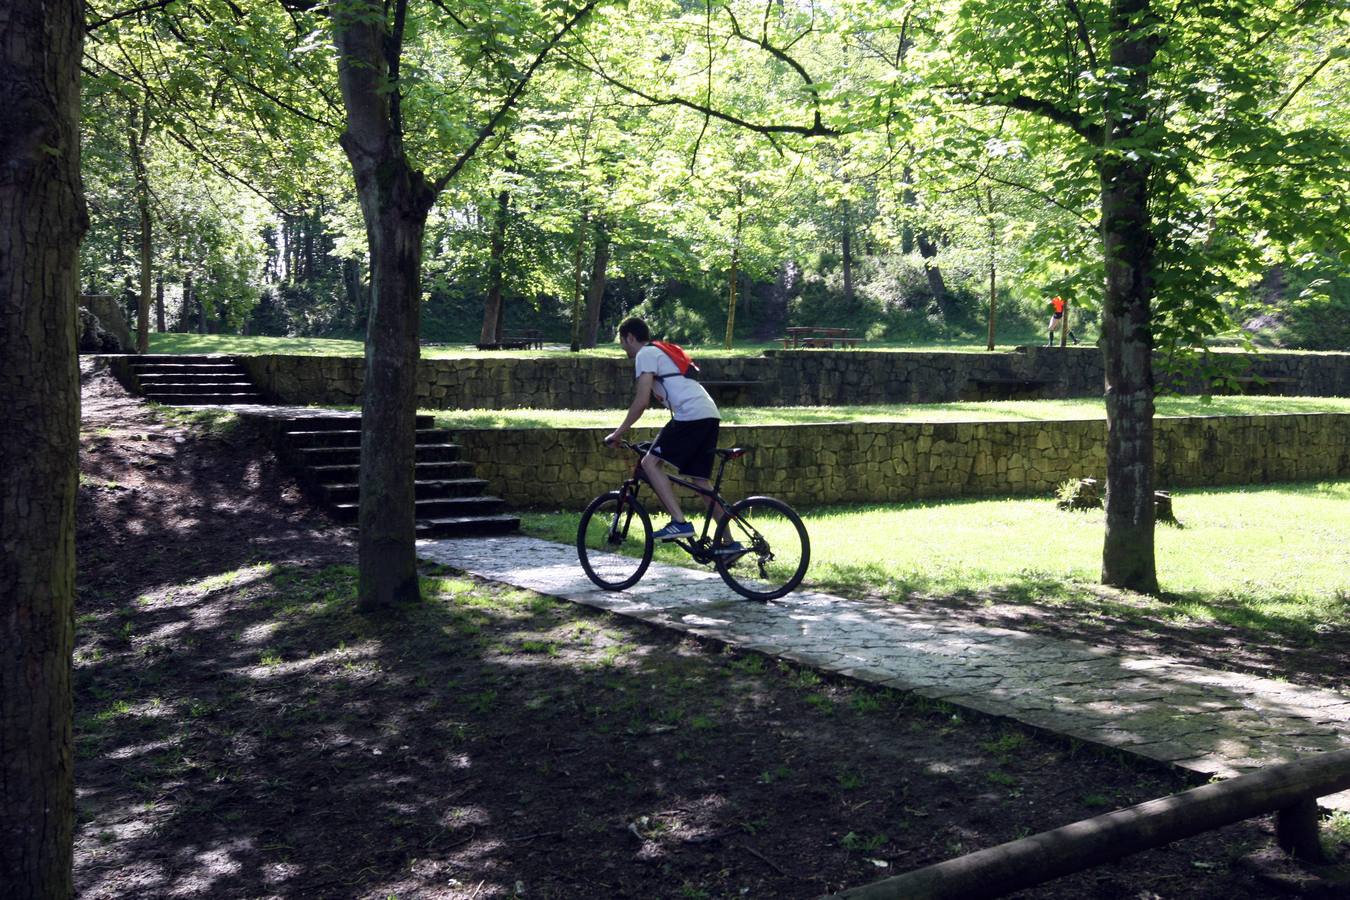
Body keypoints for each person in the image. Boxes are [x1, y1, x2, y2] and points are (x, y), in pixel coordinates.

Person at [603, 317, 731, 545]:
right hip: (708, 413)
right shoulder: (659, 351)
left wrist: (618, 433)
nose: (623, 349)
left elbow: (641, 402)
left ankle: (679, 522)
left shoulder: (645, 354)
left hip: (690, 415)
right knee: (701, 483)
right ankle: (729, 545)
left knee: (649, 463)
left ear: (630, 337)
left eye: (622, 342)